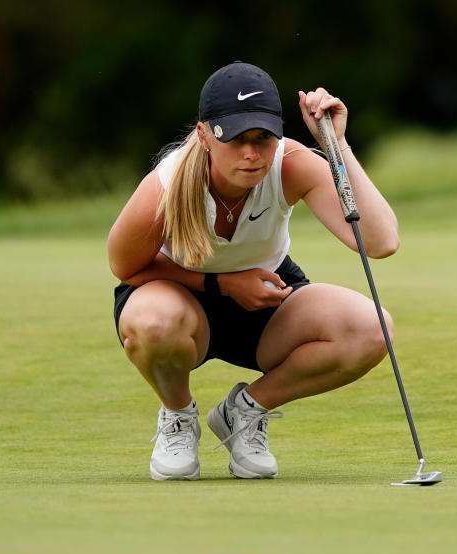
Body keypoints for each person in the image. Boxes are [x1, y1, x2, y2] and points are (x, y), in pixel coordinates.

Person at [107, 61, 399, 481]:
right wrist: (221, 283)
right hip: (177, 298)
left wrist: (337, 146)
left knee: (374, 329)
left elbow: (381, 241)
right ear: (206, 135)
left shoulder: (291, 163)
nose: (252, 154)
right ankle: (178, 416)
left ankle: (244, 412)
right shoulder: (167, 186)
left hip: (267, 300)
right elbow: (124, 267)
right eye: (236, 139)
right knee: (152, 322)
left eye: (262, 138)